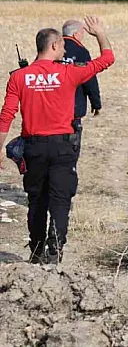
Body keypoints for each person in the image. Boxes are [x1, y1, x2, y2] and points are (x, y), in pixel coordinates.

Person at [0, 17, 115, 264]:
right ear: (53, 46)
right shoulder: (68, 73)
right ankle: (56, 246)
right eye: (62, 47)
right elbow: (107, 60)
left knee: (37, 200)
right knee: (61, 199)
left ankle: (37, 250)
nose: (65, 51)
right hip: (63, 146)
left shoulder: (19, 77)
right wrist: (100, 35)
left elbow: (6, 114)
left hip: (34, 147)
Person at [61, 20, 103, 150]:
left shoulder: (51, 48)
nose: (83, 35)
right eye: (82, 32)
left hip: (49, 109)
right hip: (73, 109)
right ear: (75, 34)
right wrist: (96, 103)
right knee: (71, 148)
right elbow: (89, 79)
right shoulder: (81, 51)